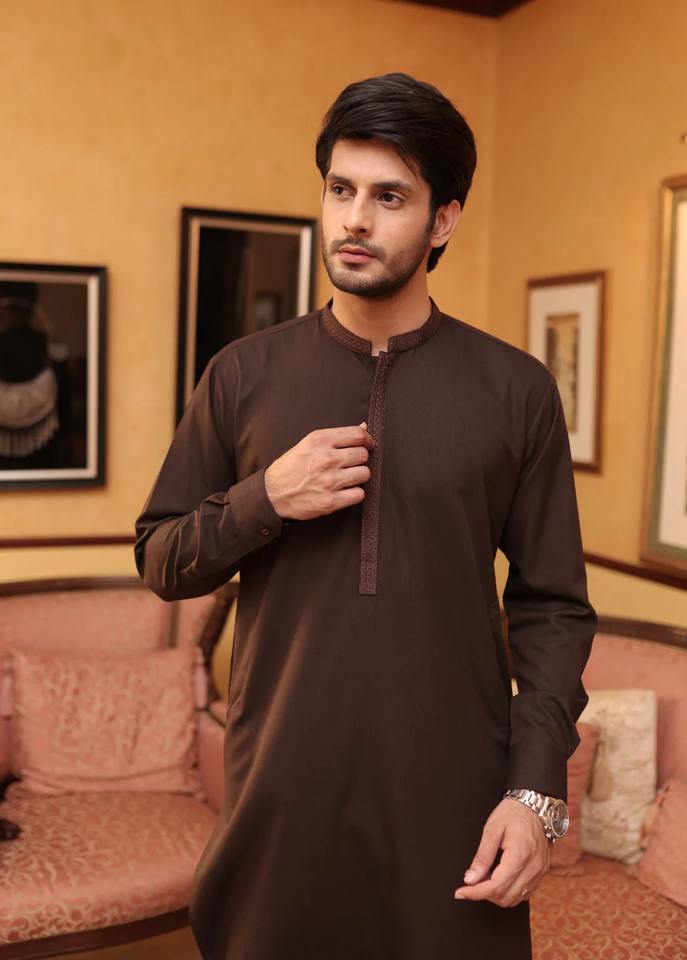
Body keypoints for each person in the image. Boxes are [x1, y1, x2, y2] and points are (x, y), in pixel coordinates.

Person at [134, 72, 597, 960]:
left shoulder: (516, 391)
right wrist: (265, 497)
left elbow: (552, 607)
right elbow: (161, 558)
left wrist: (535, 791)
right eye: (339, 189)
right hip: (279, 795)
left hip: (456, 807)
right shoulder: (241, 374)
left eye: (389, 197)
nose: (353, 219)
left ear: (443, 220)